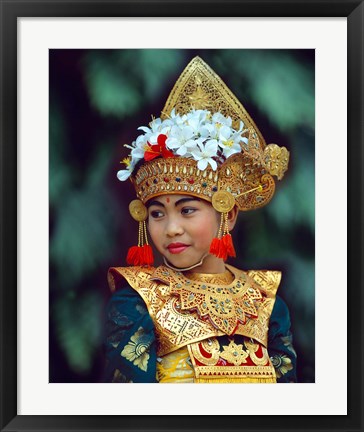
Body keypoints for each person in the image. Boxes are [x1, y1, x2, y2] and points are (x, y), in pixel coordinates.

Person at [103, 56, 297, 383]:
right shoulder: (137, 301)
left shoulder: (266, 302)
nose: (171, 228)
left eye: (187, 209)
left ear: (229, 214)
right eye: (157, 214)